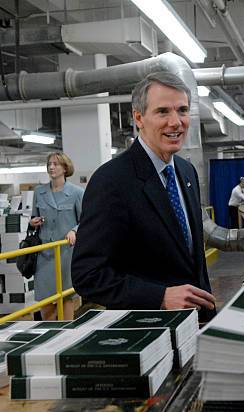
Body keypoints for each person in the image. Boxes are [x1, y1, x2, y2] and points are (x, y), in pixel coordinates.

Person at [71, 72, 216, 322]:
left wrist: (208, 315)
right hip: (146, 331)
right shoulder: (111, 181)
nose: (176, 122)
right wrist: (159, 296)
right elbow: (88, 275)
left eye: (182, 110)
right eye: (162, 112)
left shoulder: (186, 171)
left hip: (195, 323)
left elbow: (192, 262)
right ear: (138, 117)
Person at [30, 152, 83, 321]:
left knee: (66, 297)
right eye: (49, 164)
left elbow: (86, 221)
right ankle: (50, 334)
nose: (51, 167)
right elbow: (32, 217)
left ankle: (66, 332)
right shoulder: (39, 192)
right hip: (44, 254)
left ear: (65, 168)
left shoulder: (76, 193)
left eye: (55, 164)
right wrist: (34, 222)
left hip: (66, 253)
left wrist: (74, 230)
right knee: (45, 299)